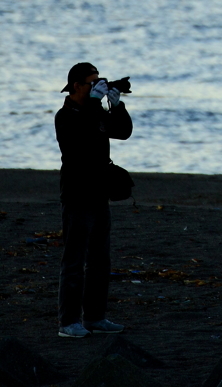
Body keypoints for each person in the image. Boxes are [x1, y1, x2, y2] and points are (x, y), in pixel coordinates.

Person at [54, 61, 133, 339]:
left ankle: (96, 317)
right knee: (74, 260)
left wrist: (117, 105)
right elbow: (76, 140)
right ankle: (68, 322)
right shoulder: (66, 116)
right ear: (76, 86)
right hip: (77, 194)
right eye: (91, 83)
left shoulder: (93, 111)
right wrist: (95, 103)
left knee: (100, 260)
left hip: (99, 192)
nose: (95, 87)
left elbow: (122, 132)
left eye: (98, 82)